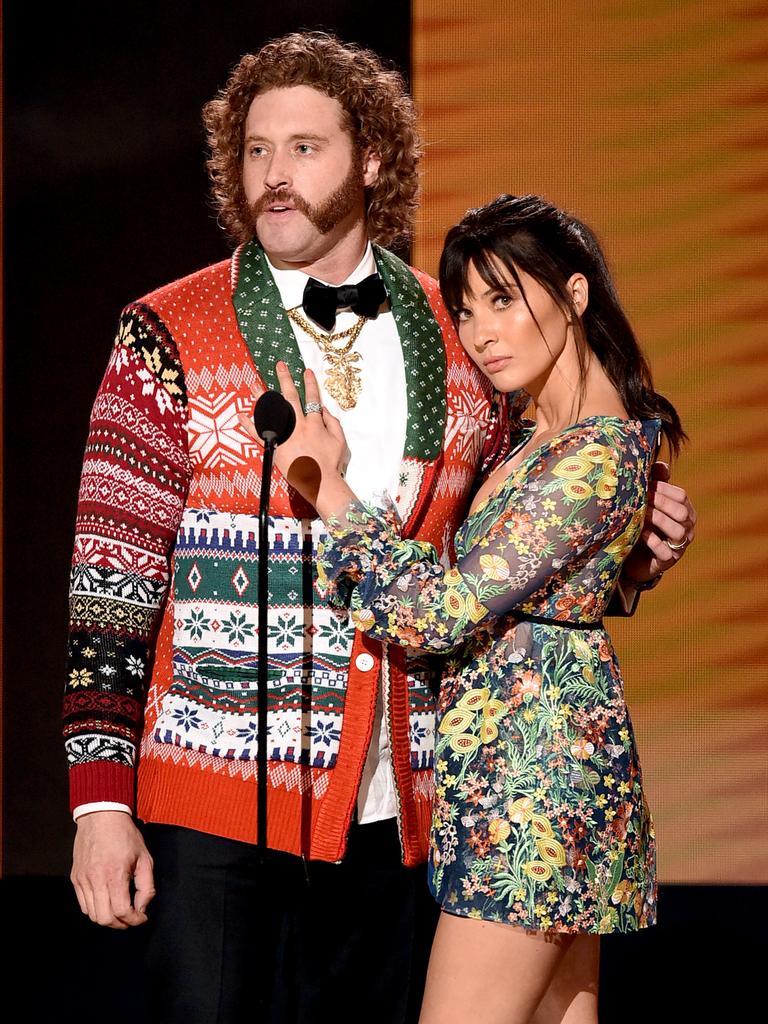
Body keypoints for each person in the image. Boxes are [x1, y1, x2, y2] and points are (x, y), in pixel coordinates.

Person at [64, 30, 695, 1024]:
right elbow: (110, 580)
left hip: (406, 807)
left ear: (371, 159)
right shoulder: (167, 330)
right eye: (256, 150)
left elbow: (520, 537)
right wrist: (99, 804)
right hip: (216, 800)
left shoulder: (465, 335)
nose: (273, 175)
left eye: (304, 148)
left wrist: (634, 540)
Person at [240, 193, 689, 1024]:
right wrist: (630, 568)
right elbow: (557, 580)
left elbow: (446, 610)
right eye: (465, 308)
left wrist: (325, 487)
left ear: (576, 296)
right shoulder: (544, 442)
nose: (481, 332)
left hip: (534, 792)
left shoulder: (594, 453)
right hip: (521, 783)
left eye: (504, 298)